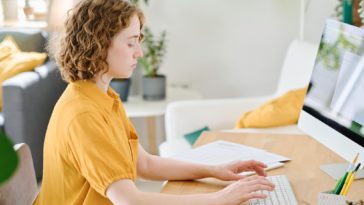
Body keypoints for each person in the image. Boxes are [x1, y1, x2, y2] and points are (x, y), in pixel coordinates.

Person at [33, 0, 274, 204]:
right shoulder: (83, 114)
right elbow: (130, 200)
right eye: (130, 42)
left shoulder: (104, 97)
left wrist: (215, 170)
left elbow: (144, 164)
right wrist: (218, 199)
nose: (139, 52)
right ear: (99, 44)